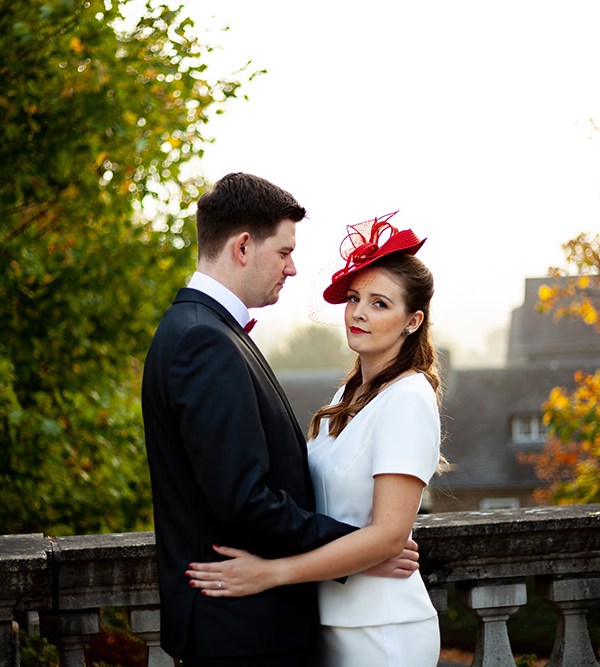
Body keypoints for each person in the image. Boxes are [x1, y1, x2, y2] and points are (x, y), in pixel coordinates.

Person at [142, 176, 418, 667]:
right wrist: (362, 548)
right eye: (285, 251)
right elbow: (244, 500)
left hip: (252, 624)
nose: (293, 268)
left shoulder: (197, 329)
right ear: (243, 246)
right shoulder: (206, 341)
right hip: (244, 629)